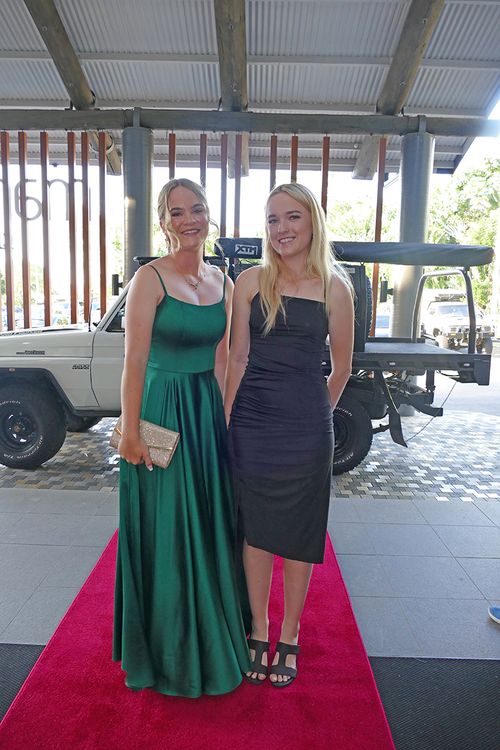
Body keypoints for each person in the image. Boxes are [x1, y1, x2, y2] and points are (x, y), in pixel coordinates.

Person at [113, 177, 250, 697]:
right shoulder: (148, 278)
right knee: (167, 525)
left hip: (204, 412)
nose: (188, 219)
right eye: (176, 212)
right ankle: (169, 650)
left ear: (209, 215)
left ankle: (212, 631)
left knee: (209, 520)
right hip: (161, 410)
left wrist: (223, 420)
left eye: (196, 209)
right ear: (163, 222)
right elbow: (134, 360)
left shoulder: (224, 282)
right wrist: (130, 432)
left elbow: (223, 358)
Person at [225, 183, 355, 687]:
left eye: (292, 217)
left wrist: (315, 418)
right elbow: (237, 358)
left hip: (306, 428)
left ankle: (291, 633)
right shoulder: (250, 281)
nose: (282, 229)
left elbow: (341, 369)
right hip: (252, 425)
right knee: (256, 532)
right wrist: (227, 421)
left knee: (300, 534)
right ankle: (260, 629)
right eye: (273, 219)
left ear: (312, 221)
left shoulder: (335, 288)